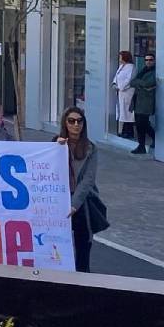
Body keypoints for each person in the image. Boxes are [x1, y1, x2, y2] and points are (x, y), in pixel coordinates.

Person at [55, 107, 99, 273]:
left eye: (79, 121)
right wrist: (56, 147)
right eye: (71, 121)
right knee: (57, 241)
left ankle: (83, 276)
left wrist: (74, 204)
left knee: (83, 243)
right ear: (65, 123)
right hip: (59, 198)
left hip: (81, 201)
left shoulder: (90, 148)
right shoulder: (56, 143)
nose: (76, 125)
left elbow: (88, 179)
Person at [129, 53, 156, 155]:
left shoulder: (154, 72)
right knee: (139, 125)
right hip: (137, 101)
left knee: (143, 124)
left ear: (154, 61)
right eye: (146, 60)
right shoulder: (143, 70)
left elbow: (148, 84)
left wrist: (139, 83)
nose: (148, 62)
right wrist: (141, 85)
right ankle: (141, 146)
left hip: (146, 102)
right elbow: (132, 82)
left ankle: (149, 141)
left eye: (150, 60)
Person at [112, 51, 135, 139]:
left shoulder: (131, 67)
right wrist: (114, 84)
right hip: (120, 93)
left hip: (127, 93)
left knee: (128, 113)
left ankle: (129, 132)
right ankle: (124, 131)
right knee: (123, 112)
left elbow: (129, 80)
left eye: (120, 57)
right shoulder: (121, 66)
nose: (119, 58)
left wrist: (120, 87)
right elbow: (117, 76)